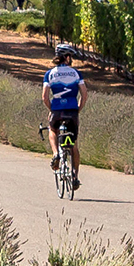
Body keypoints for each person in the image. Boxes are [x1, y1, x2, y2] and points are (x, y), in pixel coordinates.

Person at [43, 45, 85, 174]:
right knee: (74, 146)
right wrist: (78, 109)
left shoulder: (50, 74)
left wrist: (52, 109)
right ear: (67, 57)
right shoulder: (76, 73)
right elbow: (84, 94)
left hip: (57, 110)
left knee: (52, 130)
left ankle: (56, 154)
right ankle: (74, 177)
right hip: (72, 111)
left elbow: (44, 97)